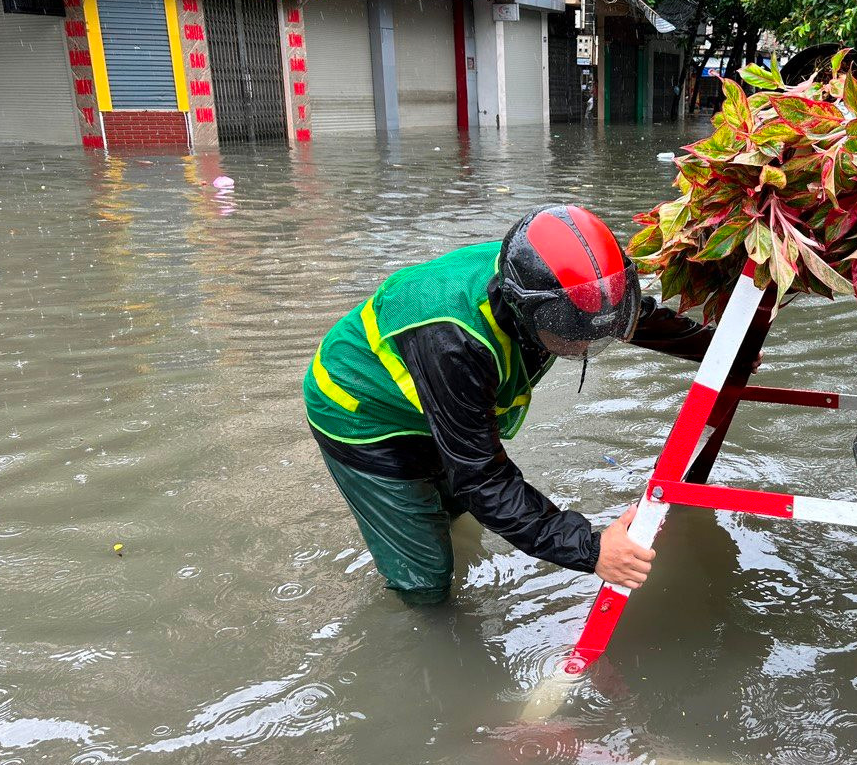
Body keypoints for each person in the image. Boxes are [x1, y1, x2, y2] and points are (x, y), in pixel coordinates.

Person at [304, 205, 715, 605]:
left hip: (430, 396)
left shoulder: (563, 291)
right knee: (427, 579)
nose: (585, 341)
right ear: (522, 308)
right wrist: (590, 550)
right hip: (362, 417)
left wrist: (718, 349)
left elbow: (625, 315)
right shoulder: (455, 343)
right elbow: (482, 477)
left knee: (451, 512)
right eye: (571, 331)